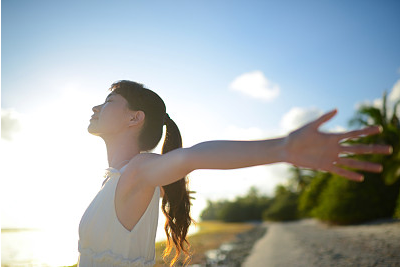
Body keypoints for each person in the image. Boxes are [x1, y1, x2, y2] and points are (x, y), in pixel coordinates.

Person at [78, 80, 392, 267]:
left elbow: (194, 156)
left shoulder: (139, 170)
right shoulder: (118, 178)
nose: (96, 108)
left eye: (108, 101)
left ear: (135, 118)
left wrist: (283, 148)